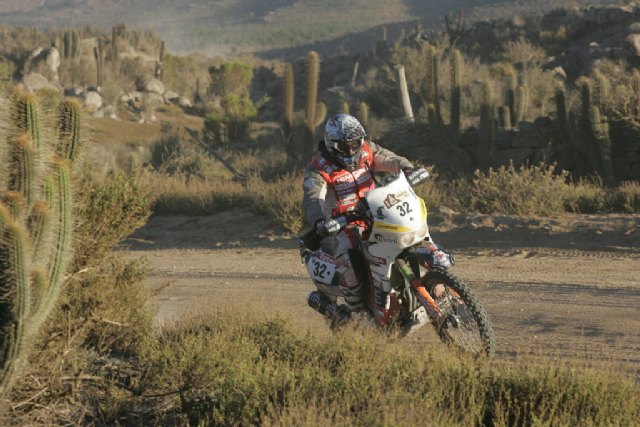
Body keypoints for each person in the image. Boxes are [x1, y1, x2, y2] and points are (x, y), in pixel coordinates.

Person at [302, 113, 414, 323]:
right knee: (351, 264)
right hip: (341, 225)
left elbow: (391, 161)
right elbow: (312, 198)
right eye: (345, 146)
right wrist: (319, 221)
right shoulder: (319, 169)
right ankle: (358, 314)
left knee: (408, 231)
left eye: (355, 143)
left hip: (376, 213)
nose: (352, 150)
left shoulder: (367, 151)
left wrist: (407, 169)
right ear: (332, 145)